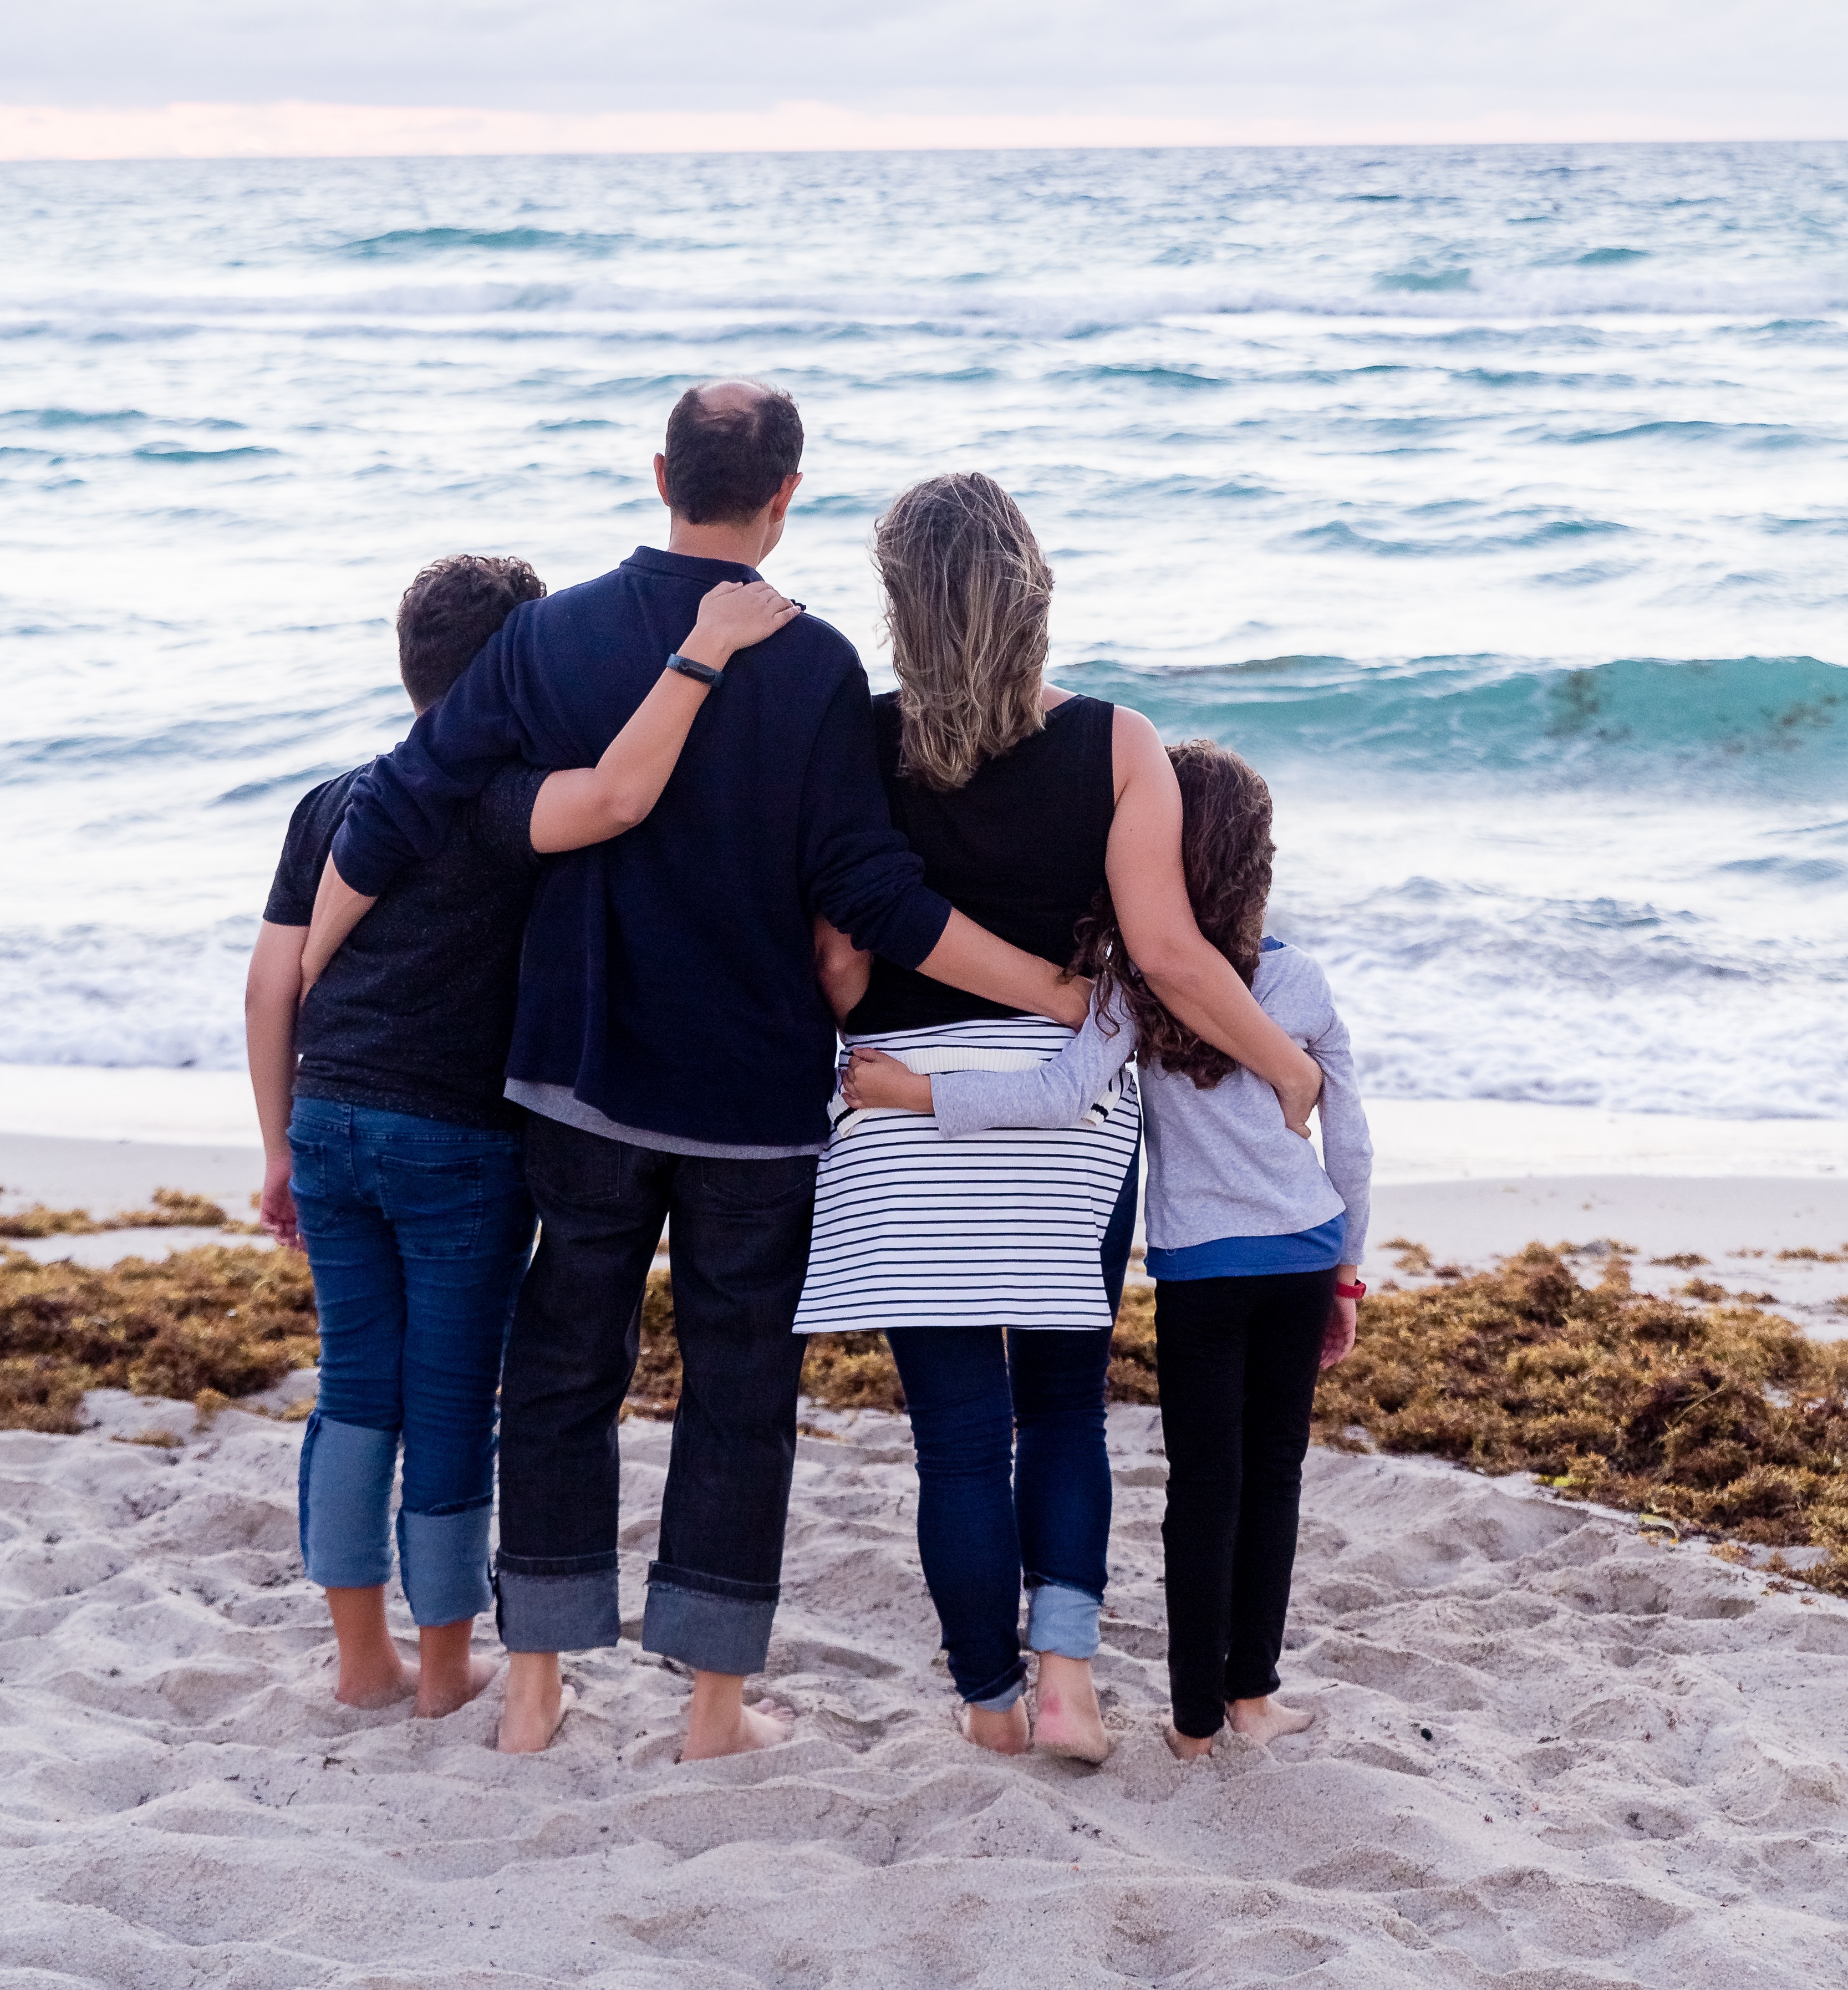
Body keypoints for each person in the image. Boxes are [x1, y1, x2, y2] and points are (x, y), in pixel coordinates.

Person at [301, 385, 1089, 1763]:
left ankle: (536, 1685)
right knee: (736, 1391)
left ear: (660, 470)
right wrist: (1057, 994)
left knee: (560, 1372)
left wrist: (311, 971)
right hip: (750, 1100)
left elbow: (405, 798)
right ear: (787, 494)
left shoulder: (550, 637)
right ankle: (713, 1711)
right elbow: (872, 892)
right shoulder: (816, 664)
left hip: (581, 1077)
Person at [792, 474, 1326, 1762]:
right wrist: (1285, 1071)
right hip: (1063, 1118)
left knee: (959, 1440)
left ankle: (988, 1705)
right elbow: (1168, 954)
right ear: (1032, 590)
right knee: (1063, 1410)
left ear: (900, 606)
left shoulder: (857, 743)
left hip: (901, 1114)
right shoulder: (1115, 741)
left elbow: (839, 974)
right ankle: (1070, 1680)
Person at [248, 552, 797, 1717]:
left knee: (355, 1388)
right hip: (454, 1143)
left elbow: (269, 986)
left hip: (329, 1120)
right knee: (449, 1399)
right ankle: (445, 1668)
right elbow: (613, 796)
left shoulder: (334, 798)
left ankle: (359, 1661)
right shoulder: (500, 802)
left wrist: (278, 1148)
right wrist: (701, 656)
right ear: (519, 668)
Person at [853, 736, 1371, 1760]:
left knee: (1202, 1486)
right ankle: (1253, 1697)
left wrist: (912, 1091)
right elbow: (1348, 1139)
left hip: (1197, 1272)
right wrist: (1349, 1268)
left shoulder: (1131, 984)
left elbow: (1054, 1097)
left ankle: (1187, 1727)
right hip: (1305, 1254)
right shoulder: (1298, 981)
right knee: (1274, 1478)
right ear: (1258, 863)